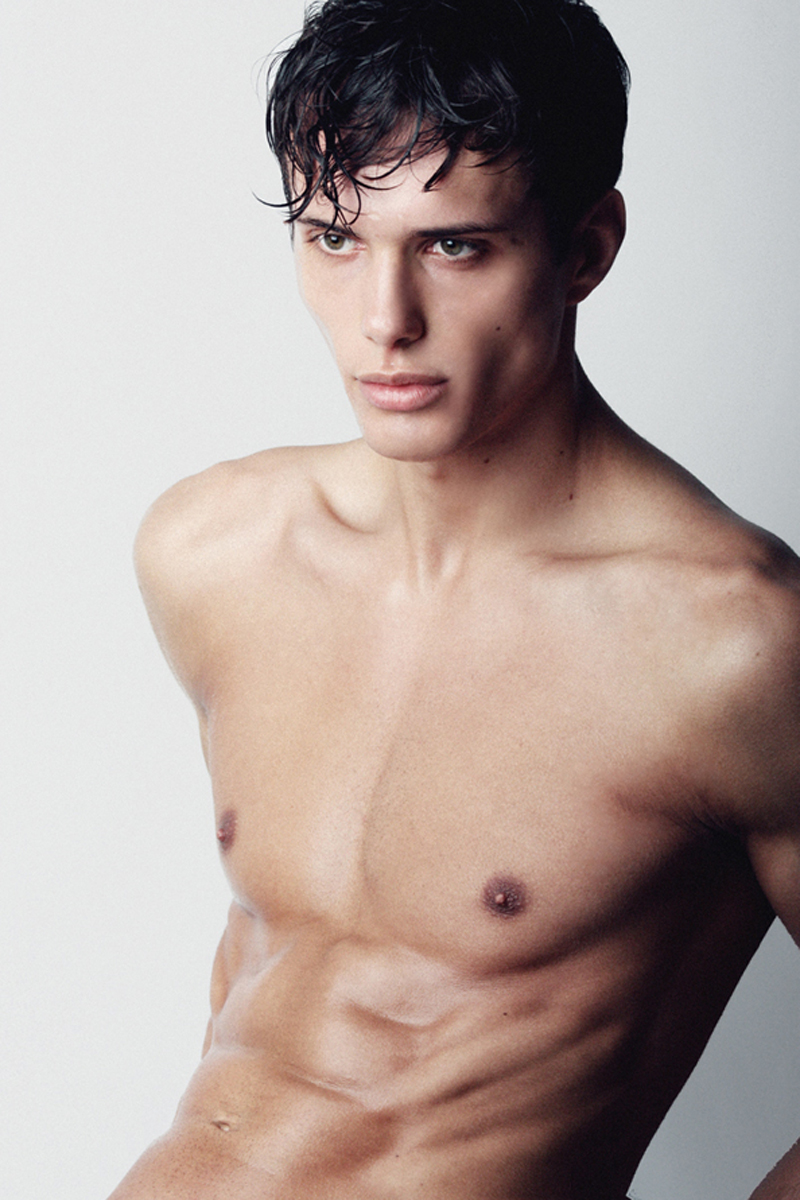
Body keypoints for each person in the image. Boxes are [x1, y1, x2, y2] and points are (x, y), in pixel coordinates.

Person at [109, 1, 800, 1197]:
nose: (384, 322)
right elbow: (273, 982)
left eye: (454, 246)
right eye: (335, 237)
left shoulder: (725, 641)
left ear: (584, 248)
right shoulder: (217, 551)